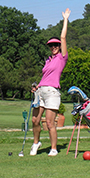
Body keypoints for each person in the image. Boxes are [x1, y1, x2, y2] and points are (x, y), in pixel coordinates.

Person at [30, 8, 71, 156]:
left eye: (56, 45)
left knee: (49, 122)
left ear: (59, 46)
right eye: (51, 46)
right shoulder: (48, 60)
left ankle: (53, 148)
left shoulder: (62, 57)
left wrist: (65, 19)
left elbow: (63, 37)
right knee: (35, 120)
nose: (53, 47)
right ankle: (36, 143)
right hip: (41, 91)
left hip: (52, 92)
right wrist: (36, 88)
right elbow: (45, 76)